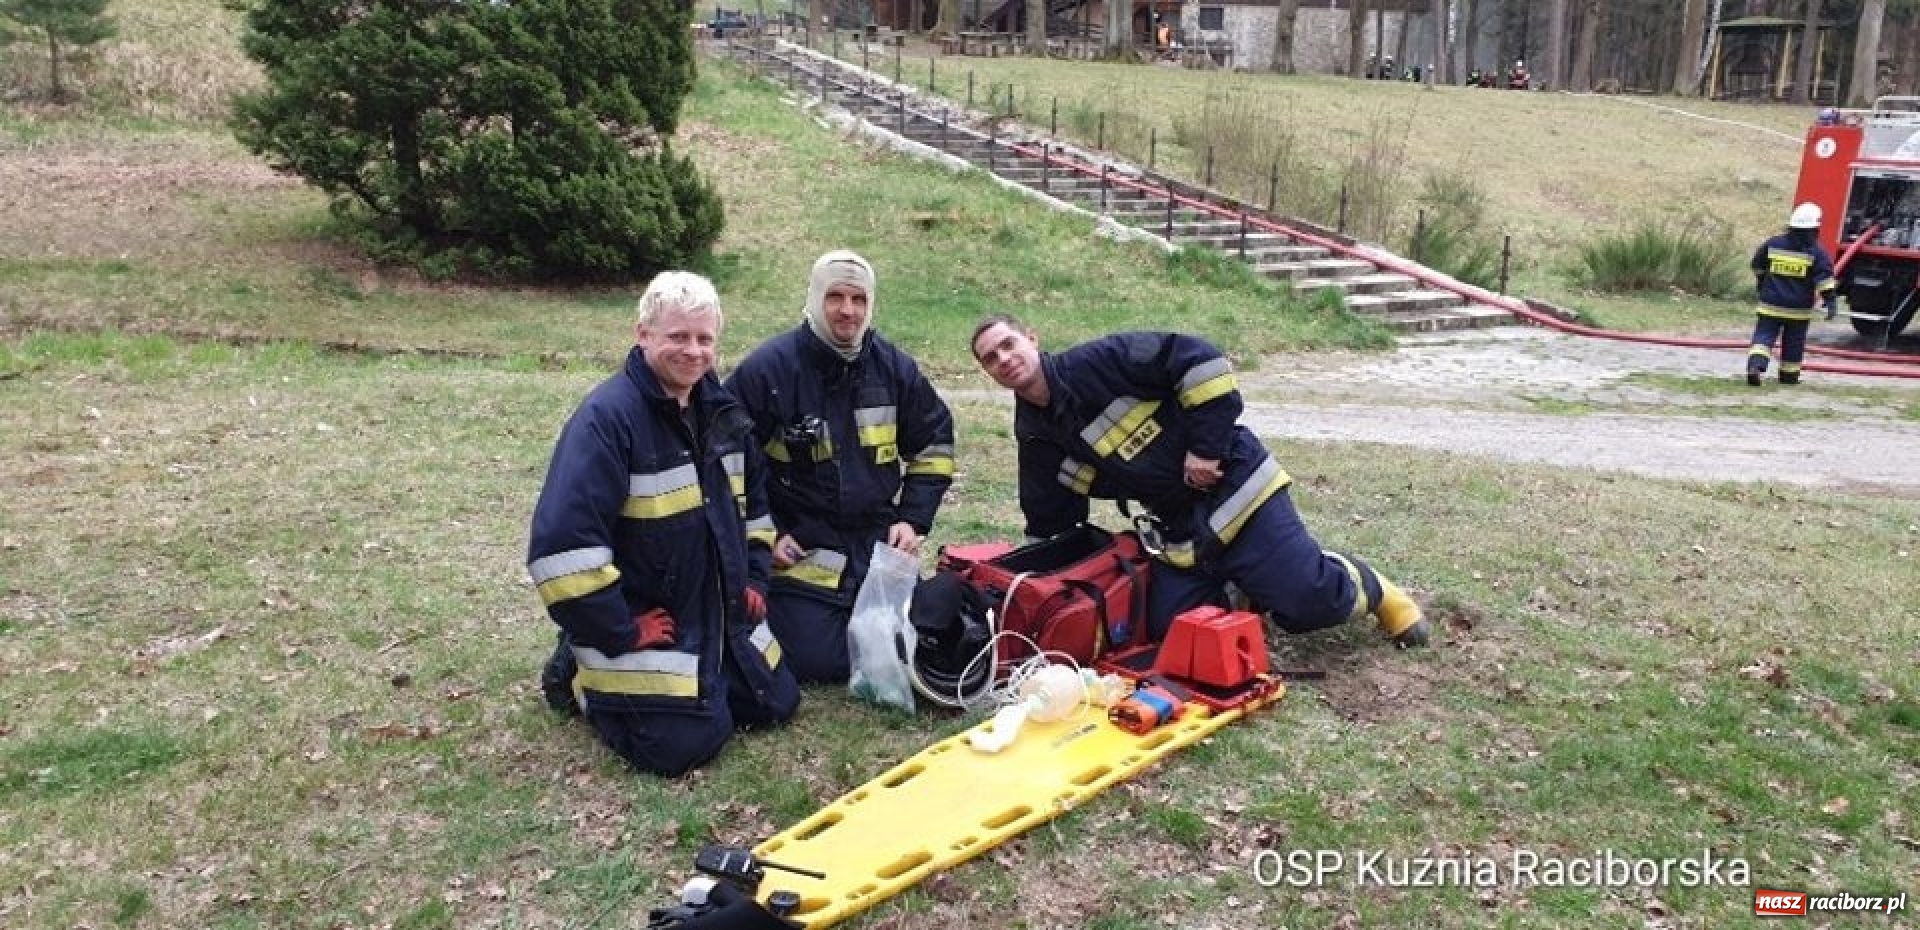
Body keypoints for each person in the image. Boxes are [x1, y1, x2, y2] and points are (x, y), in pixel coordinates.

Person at [969, 315, 1430, 649]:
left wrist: (1206, 448)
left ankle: (1371, 586)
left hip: (1238, 491)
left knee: (1310, 603)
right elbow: (1049, 508)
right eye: (991, 358)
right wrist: (1038, 581)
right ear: (988, 373)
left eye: (1009, 344)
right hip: (1179, 530)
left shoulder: (1101, 361)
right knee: (1171, 629)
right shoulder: (1034, 431)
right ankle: (1247, 587)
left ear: (1032, 337)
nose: (1004, 359)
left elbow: (1202, 362)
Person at [529, 271, 798, 777]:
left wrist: (756, 577)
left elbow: (755, 507)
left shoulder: (723, 412)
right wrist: (622, 628)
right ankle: (579, 671)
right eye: (677, 336)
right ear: (643, 334)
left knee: (774, 704)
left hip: (715, 608)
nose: (693, 351)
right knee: (682, 748)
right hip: (645, 613)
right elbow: (561, 552)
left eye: (704, 338)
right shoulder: (607, 421)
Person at [725, 251, 957, 682]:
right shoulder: (769, 370)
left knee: (907, 640)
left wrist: (912, 520)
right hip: (801, 543)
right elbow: (726, 463)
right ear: (815, 298)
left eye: (858, 299)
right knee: (823, 661)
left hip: (874, 539)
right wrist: (763, 535)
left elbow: (934, 444)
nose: (847, 310)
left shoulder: (894, 369)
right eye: (835, 296)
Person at [1748, 202, 1839, 386]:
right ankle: (1789, 377)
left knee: (1763, 337)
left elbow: (1757, 265)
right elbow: (1824, 280)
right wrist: (1831, 302)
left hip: (1770, 305)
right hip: (1798, 311)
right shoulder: (1816, 252)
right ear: (1814, 228)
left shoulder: (1773, 244)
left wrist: (1761, 282)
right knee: (1793, 344)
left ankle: (1755, 366)